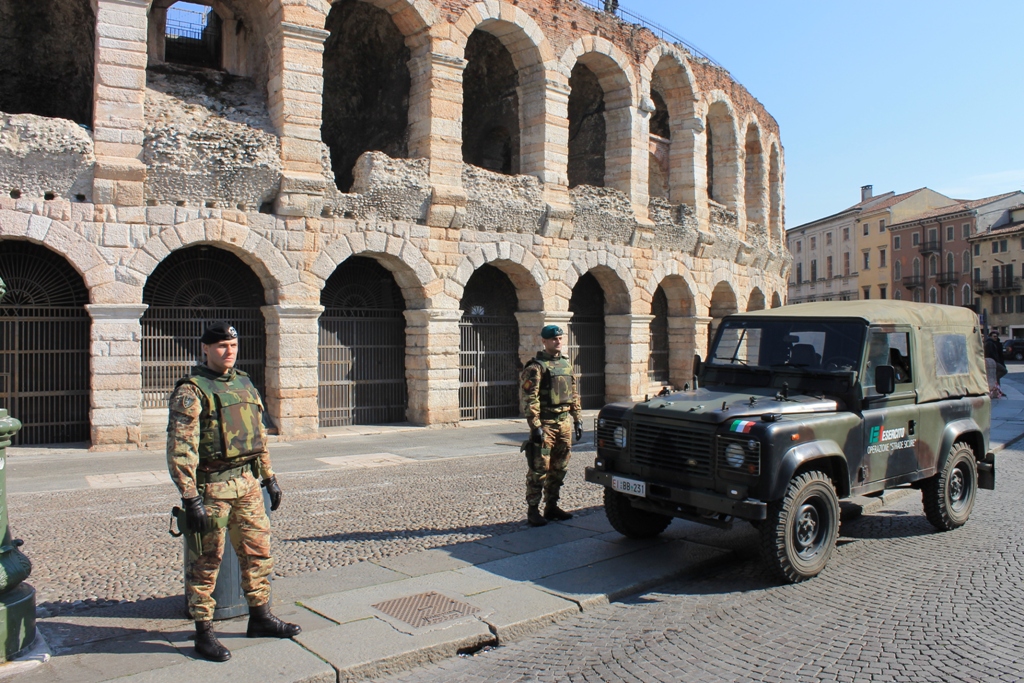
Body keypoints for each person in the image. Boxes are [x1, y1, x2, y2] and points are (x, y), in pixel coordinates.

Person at [167, 322, 300, 662]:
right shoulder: (191, 391)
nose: (229, 352)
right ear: (206, 349)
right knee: (206, 563)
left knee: (258, 553)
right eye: (222, 346)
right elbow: (181, 450)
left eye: (233, 346)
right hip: (211, 489)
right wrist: (189, 497)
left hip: (247, 485)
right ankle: (204, 632)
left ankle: (260, 617)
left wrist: (269, 477)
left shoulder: (244, 382)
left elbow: (258, 436)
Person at [520, 324, 583, 527]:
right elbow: (530, 398)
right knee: (540, 468)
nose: (558, 341)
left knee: (560, 467)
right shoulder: (536, 367)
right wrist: (535, 425)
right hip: (546, 423)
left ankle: (552, 506)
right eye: (553, 339)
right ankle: (533, 510)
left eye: (560, 338)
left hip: (563, 422)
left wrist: (577, 419)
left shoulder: (566, 364)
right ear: (544, 341)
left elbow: (573, 393)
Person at [984, 330, 1007, 399]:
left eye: (996, 336)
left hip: (996, 361)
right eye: (994, 336)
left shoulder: (995, 343)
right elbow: (989, 353)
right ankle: (995, 383)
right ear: (991, 336)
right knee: (1003, 371)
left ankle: (998, 391)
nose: (995, 337)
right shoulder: (989, 343)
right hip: (993, 361)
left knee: (998, 375)